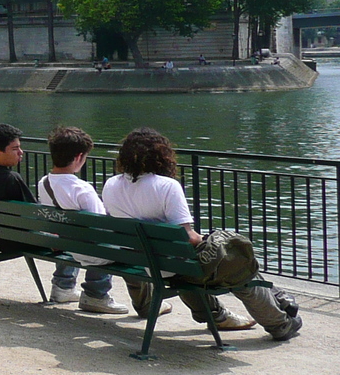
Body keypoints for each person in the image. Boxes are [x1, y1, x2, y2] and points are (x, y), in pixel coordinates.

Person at [102, 128, 302, 341]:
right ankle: (279, 323)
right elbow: (188, 238)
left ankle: (275, 299)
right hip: (174, 265)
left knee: (223, 259)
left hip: (147, 262)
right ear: (162, 156)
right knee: (235, 264)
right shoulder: (167, 187)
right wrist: (207, 239)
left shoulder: (111, 184)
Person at [36, 126, 128, 315]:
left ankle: (63, 287)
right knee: (110, 241)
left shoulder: (44, 182)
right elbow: (101, 227)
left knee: (69, 232)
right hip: (89, 251)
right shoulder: (82, 189)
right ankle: (96, 294)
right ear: (79, 157)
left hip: (64, 244)